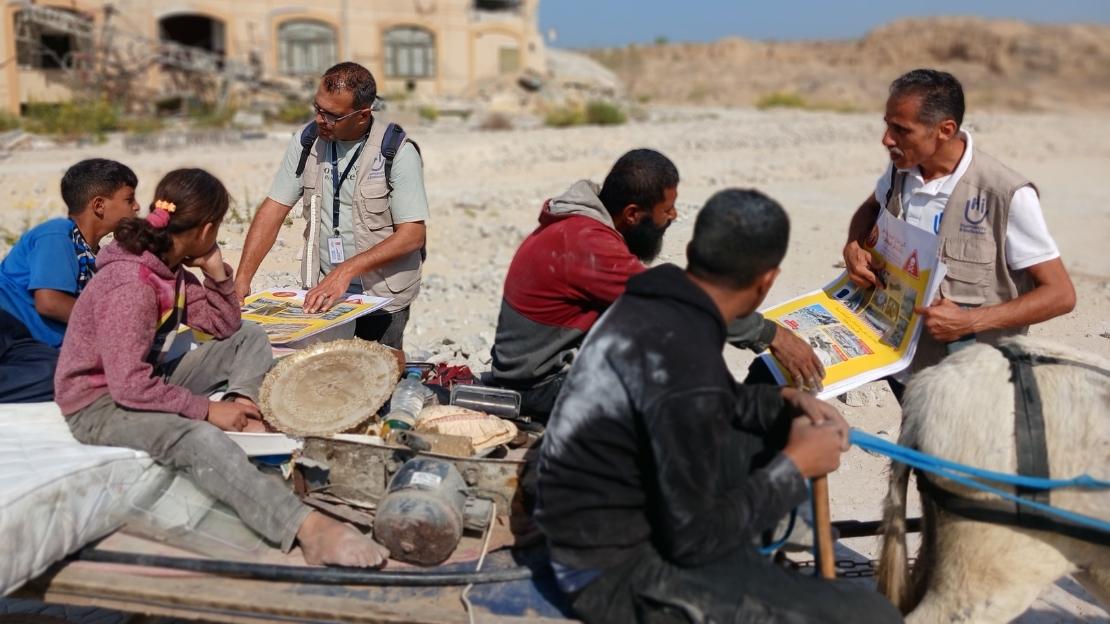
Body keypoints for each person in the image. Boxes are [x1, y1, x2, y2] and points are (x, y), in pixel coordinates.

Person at [535, 189, 901, 623]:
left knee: (768, 437)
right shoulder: (685, 361)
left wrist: (782, 399)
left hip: (591, 518)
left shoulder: (660, 294)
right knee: (871, 615)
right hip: (612, 573)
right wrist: (795, 466)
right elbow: (691, 540)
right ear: (767, 280)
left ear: (691, 251)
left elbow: (709, 401)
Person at [55, 168, 390, 567]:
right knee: (197, 437)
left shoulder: (169, 267)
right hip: (98, 405)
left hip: (143, 378)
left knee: (248, 336)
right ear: (206, 228)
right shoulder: (134, 283)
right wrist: (206, 411)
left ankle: (243, 412)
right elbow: (128, 386)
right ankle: (305, 527)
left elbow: (225, 326)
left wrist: (216, 272)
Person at [490, 149, 822, 419]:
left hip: (548, 367)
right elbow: (678, 301)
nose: (674, 216)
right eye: (667, 209)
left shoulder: (582, 228)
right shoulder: (587, 244)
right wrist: (772, 334)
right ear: (632, 214)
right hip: (539, 385)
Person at [842, 69, 1075, 397]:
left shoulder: (1005, 194)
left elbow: (1061, 294)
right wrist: (853, 244)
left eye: (901, 129)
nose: (886, 139)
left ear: (945, 130)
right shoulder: (902, 169)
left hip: (970, 384)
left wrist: (971, 322)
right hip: (903, 367)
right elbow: (870, 209)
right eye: (886, 124)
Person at [235, 62, 429, 350]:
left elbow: (412, 235)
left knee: (376, 379)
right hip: (323, 292)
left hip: (382, 296)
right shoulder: (307, 141)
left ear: (363, 115)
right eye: (317, 108)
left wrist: (347, 270)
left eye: (332, 115)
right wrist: (242, 279)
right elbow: (274, 209)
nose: (320, 119)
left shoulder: (396, 151)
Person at [0, 159, 139, 402]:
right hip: (6, 321)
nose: (137, 207)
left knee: (64, 377)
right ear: (99, 205)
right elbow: (50, 302)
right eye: (129, 199)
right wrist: (114, 326)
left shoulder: (93, 258)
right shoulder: (57, 233)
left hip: (27, 345)